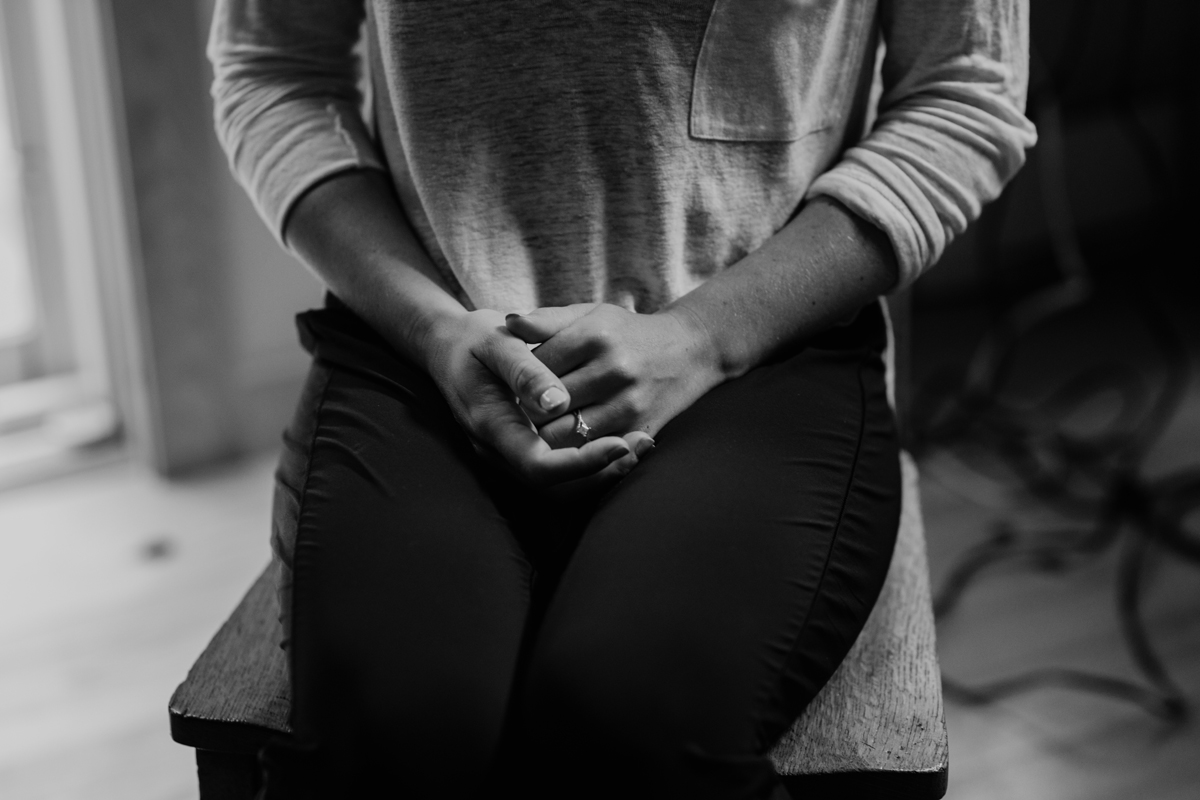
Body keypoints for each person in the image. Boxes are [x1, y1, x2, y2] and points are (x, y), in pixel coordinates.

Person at [209, 1, 1035, 797]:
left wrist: (702, 339)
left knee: (627, 731)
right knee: (400, 734)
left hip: (760, 348)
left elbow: (966, 94)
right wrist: (434, 331)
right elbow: (274, 71)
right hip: (425, 341)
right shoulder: (428, 335)